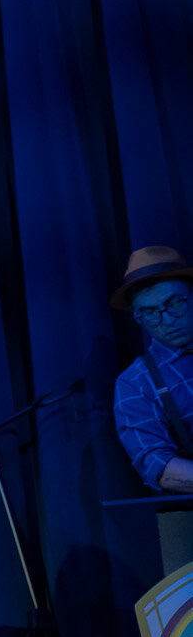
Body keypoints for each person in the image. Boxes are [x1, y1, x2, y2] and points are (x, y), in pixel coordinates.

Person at [112, 245, 193, 574]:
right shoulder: (137, 383)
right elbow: (157, 465)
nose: (167, 319)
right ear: (139, 317)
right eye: (151, 312)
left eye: (175, 304)